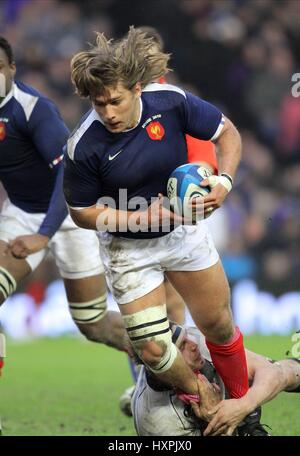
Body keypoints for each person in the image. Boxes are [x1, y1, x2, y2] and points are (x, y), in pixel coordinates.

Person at [64, 27, 247, 404]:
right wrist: (136, 220)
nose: (108, 113)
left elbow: (226, 132)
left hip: (182, 232)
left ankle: (242, 409)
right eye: (99, 104)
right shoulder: (83, 145)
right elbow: (81, 212)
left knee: (219, 325)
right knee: (151, 349)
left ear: (136, 89)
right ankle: (203, 396)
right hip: (126, 248)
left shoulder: (171, 102)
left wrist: (224, 183)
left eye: (115, 101)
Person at [0, 36, 125, 351]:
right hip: (23, 212)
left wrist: (43, 235)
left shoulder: (32, 110)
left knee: (94, 324)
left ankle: (187, 356)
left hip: (72, 213)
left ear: (12, 69)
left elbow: (67, 173)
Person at [132, 323, 300, 436]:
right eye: (183, 346)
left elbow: (272, 372)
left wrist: (245, 405)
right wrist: (214, 422)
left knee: (288, 372)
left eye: (187, 337)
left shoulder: (197, 340)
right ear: (166, 366)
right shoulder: (155, 422)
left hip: (230, 399)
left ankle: (248, 423)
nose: (193, 344)